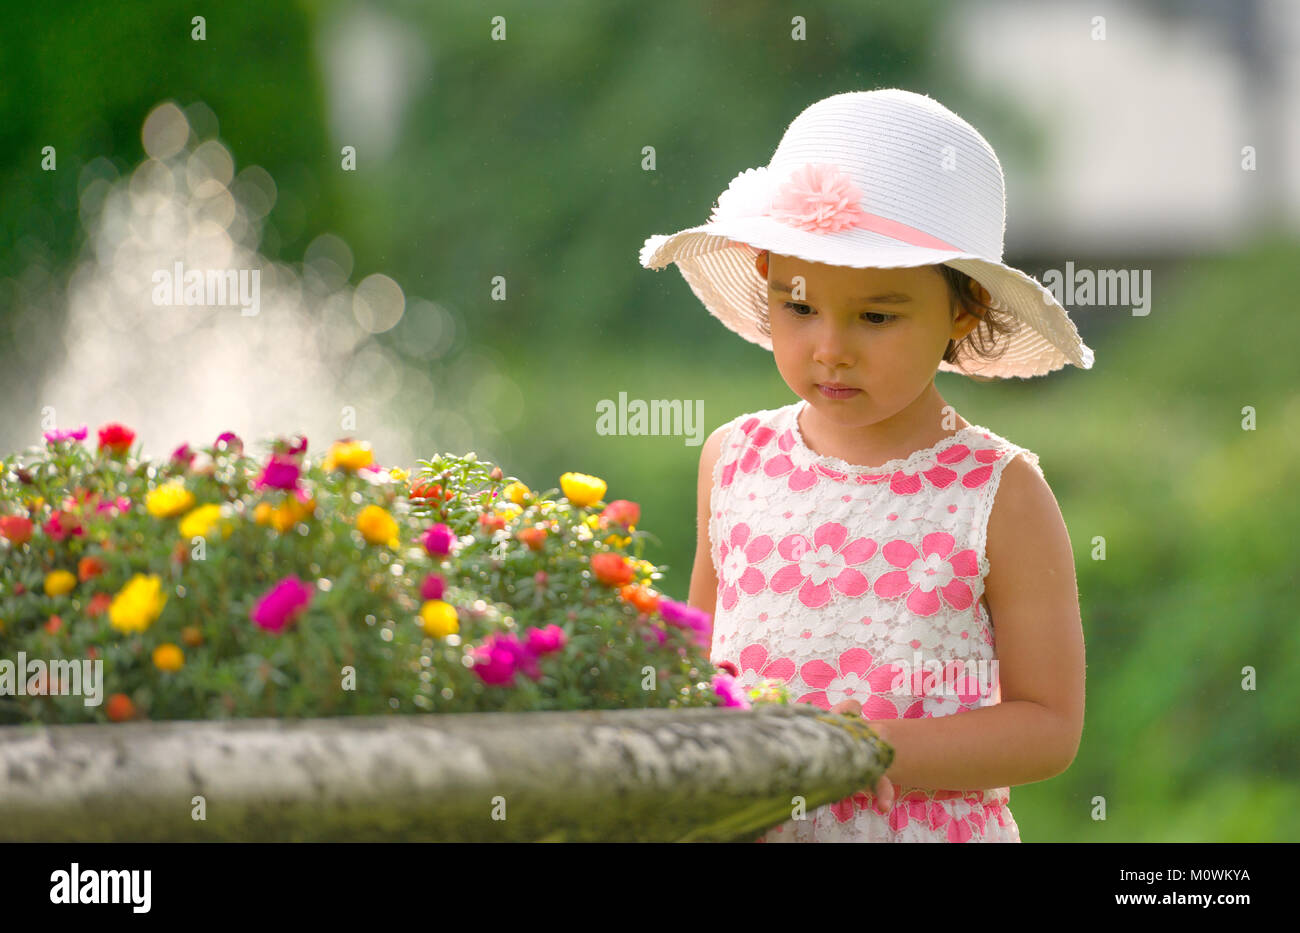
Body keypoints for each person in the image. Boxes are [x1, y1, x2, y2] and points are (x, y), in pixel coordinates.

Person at [640, 89, 1090, 842]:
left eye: (876, 316)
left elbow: (1048, 724)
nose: (830, 347)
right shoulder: (734, 459)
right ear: (767, 277)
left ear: (964, 309)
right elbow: (700, 670)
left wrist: (873, 749)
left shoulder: (998, 492)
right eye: (800, 306)